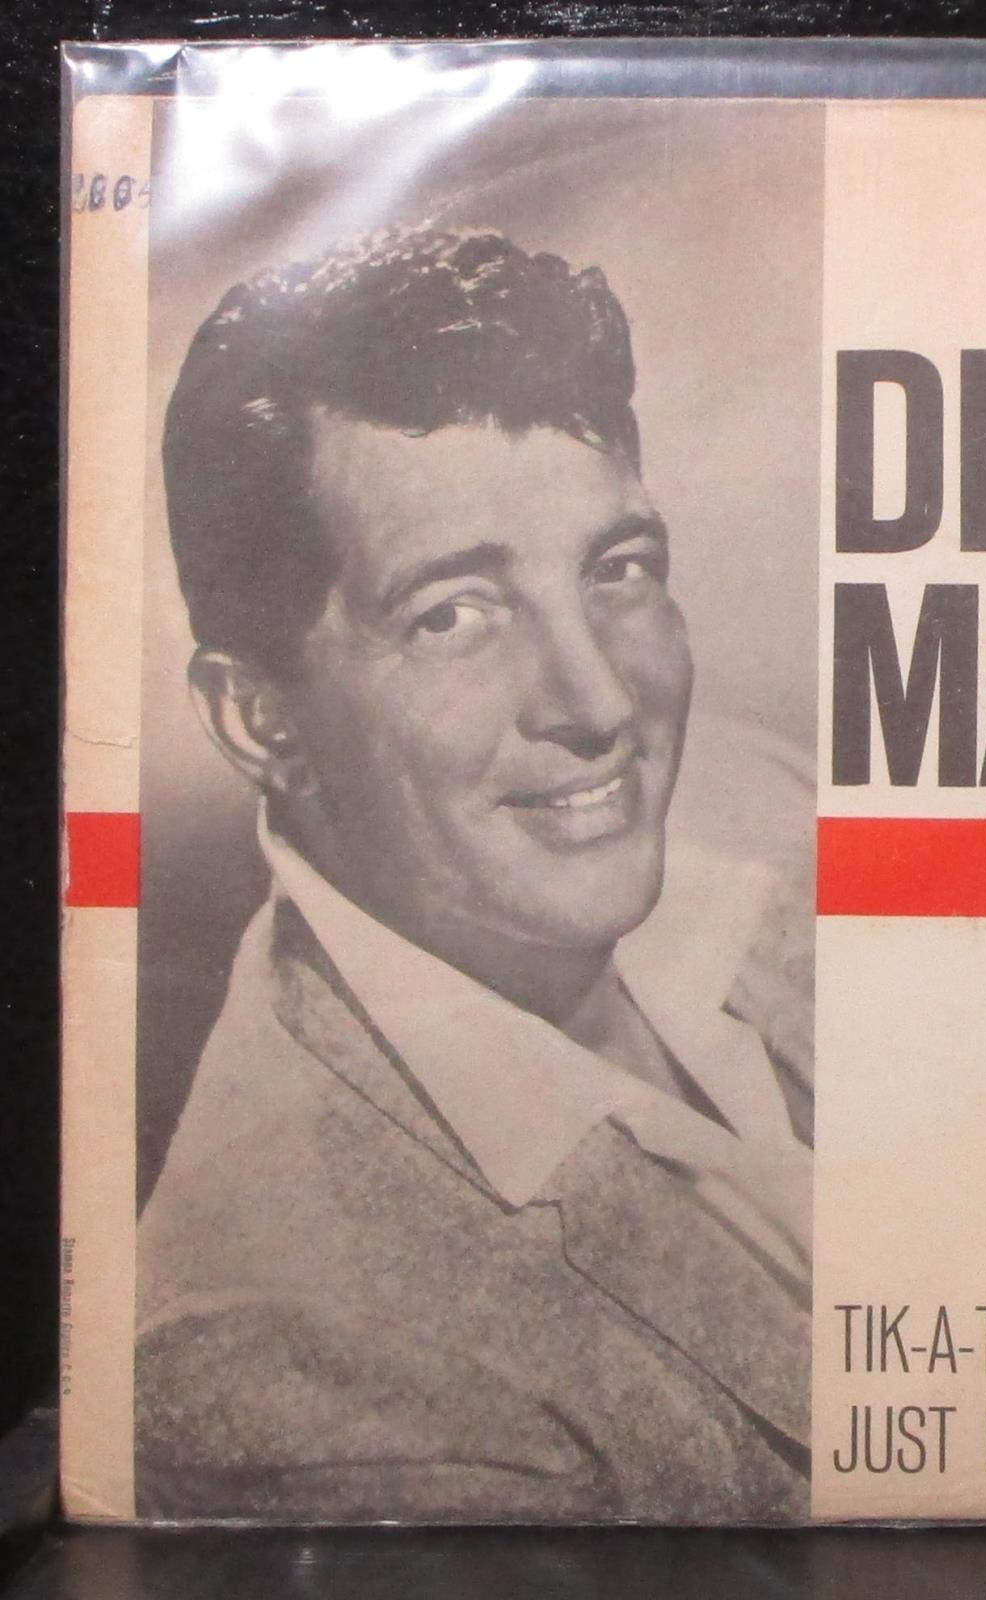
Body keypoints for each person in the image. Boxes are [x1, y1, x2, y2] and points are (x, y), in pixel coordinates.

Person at [135, 228, 815, 1523]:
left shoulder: (765, 799)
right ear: (260, 720)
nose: (598, 703)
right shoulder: (279, 1360)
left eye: (616, 571)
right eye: (453, 614)